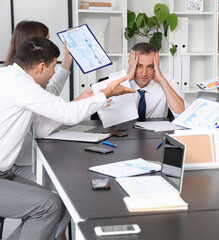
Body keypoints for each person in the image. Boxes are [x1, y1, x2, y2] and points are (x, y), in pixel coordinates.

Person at [0, 36, 135, 239]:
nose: (54, 73)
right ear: (41, 67)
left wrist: (83, 98)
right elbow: (69, 114)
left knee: (62, 203)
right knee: (48, 206)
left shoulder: (12, 78)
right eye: (54, 67)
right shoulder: (21, 85)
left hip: (5, 174)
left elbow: (42, 129)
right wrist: (104, 94)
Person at [4, 20, 75, 184]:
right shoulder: (20, 82)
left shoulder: (16, 72)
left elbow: (48, 94)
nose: (49, 44)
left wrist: (66, 63)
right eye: (47, 39)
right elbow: (48, 105)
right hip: (20, 162)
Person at [126, 42, 186, 118]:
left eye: (150, 66)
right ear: (130, 63)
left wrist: (161, 80)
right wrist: (126, 79)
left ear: (156, 65)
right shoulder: (115, 79)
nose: (144, 73)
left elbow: (182, 113)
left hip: (158, 129)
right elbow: (107, 114)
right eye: (139, 66)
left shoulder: (167, 80)